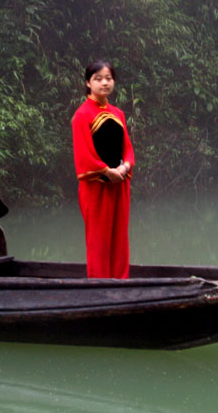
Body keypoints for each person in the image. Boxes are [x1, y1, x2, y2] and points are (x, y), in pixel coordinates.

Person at [71, 60, 135, 278]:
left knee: (119, 237)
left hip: (120, 184)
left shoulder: (118, 113)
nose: (104, 83)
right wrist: (108, 171)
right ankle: (99, 286)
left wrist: (125, 167)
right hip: (96, 186)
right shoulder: (82, 114)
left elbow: (127, 148)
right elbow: (83, 154)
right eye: (98, 79)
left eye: (108, 78)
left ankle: (120, 282)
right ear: (88, 83)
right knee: (98, 240)